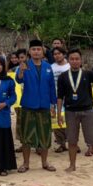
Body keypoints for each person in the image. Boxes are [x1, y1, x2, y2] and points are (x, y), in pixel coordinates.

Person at [57, 49, 93, 173]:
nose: (74, 61)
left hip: (88, 111)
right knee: (72, 140)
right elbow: (60, 96)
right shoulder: (63, 77)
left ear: (81, 60)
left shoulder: (87, 74)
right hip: (70, 112)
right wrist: (59, 114)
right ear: (68, 60)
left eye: (77, 59)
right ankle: (72, 165)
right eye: (72, 59)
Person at [16, 39, 57, 173]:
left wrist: (53, 104)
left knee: (45, 135)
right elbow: (19, 79)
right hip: (28, 105)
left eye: (38, 49)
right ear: (29, 51)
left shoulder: (48, 66)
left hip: (44, 105)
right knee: (26, 136)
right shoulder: (25, 65)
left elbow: (52, 87)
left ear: (42, 51)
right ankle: (26, 163)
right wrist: (21, 71)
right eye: (33, 49)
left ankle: (45, 162)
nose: (36, 52)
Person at [50, 47, 70, 153]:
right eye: (55, 54)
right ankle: (61, 144)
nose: (57, 55)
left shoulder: (70, 66)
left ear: (64, 54)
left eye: (59, 53)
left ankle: (72, 143)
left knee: (70, 121)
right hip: (55, 98)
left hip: (69, 98)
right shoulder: (51, 67)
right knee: (56, 122)